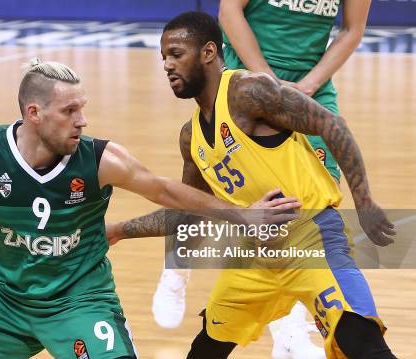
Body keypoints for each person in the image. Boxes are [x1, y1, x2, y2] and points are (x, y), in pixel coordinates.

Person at [0, 58, 299, 359]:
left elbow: (166, 191)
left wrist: (243, 214)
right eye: (69, 110)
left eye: (83, 108)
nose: (82, 120)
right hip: (2, 298)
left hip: (80, 302)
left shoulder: (101, 159)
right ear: (34, 113)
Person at [106, 12, 396, 358]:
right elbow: (189, 214)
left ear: (209, 53)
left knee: (362, 342)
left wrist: (364, 204)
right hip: (255, 256)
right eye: (163, 57)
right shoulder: (191, 137)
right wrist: (120, 229)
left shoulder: (249, 91)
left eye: (176, 54)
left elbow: (332, 125)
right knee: (204, 350)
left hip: (311, 238)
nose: (167, 65)